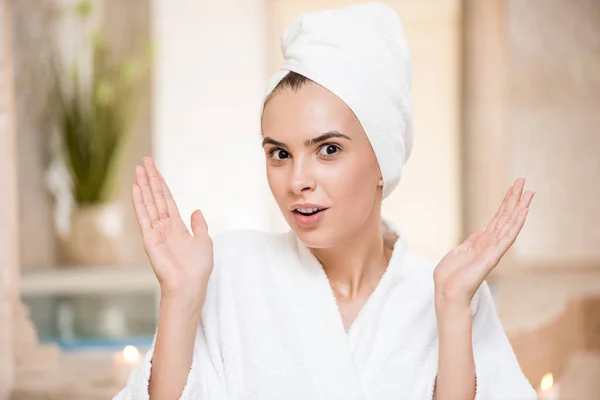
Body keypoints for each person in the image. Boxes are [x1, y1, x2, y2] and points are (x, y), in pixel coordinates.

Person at [114, 2, 537, 399]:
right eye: (279, 153)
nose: (297, 181)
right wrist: (181, 301)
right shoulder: (225, 272)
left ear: (382, 162)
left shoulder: (450, 291)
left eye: (328, 150)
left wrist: (451, 311)